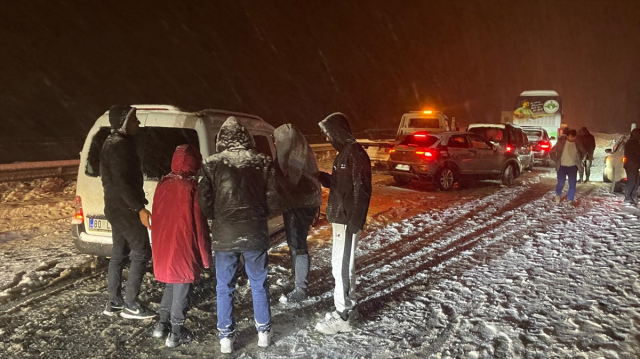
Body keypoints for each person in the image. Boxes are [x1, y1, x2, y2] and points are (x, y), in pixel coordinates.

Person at [198, 117, 279, 354]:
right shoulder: (262, 163)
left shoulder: (212, 165)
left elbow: (203, 200)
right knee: (258, 283)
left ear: (221, 140)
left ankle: (226, 338)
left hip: (225, 235)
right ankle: (263, 332)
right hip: (254, 232)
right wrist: (259, 213)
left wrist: (219, 215)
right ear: (247, 138)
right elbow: (274, 198)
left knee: (224, 286)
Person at [315, 113, 372, 335]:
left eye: (329, 133)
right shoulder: (344, 155)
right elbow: (341, 186)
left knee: (342, 267)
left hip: (347, 221)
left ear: (338, 131)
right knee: (340, 266)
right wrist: (321, 177)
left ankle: (344, 316)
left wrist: (355, 222)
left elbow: (363, 190)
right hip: (340, 219)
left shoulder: (356, 155)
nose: (328, 138)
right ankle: (349, 307)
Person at [150, 145, 211, 348]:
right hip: (183, 247)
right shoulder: (192, 187)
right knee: (182, 289)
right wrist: (205, 256)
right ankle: (175, 333)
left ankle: (161, 325)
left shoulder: (163, 184)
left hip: (164, 247)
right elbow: (199, 226)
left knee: (171, 285)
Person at [100, 105, 155, 319]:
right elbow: (122, 182)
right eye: (134, 120)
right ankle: (131, 304)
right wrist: (139, 208)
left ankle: (113, 302)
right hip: (125, 208)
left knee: (118, 253)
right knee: (141, 252)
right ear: (123, 122)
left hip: (114, 207)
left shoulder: (109, 142)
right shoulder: (121, 146)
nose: (138, 124)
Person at [273, 124, 322, 303]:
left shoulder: (294, 160)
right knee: (295, 243)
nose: (277, 145)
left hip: (300, 205)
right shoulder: (304, 151)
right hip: (305, 204)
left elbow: (288, 181)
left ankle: (301, 288)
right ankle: (298, 279)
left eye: (278, 141)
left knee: (298, 243)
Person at [550, 128, 586, 208]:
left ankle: (570, 200)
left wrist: (579, 158)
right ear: (567, 136)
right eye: (571, 136)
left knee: (572, 185)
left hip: (573, 168)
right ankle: (558, 195)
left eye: (574, 137)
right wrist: (556, 160)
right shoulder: (561, 143)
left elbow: (583, 152)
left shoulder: (578, 144)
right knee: (561, 183)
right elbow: (552, 151)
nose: (573, 138)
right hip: (562, 167)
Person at [623, 128, 640, 204]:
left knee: (637, 181)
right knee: (632, 181)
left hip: (634, 165)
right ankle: (627, 197)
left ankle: (632, 196)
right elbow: (634, 155)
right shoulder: (632, 143)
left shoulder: (635, 142)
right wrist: (635, 163)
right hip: (631, 165)